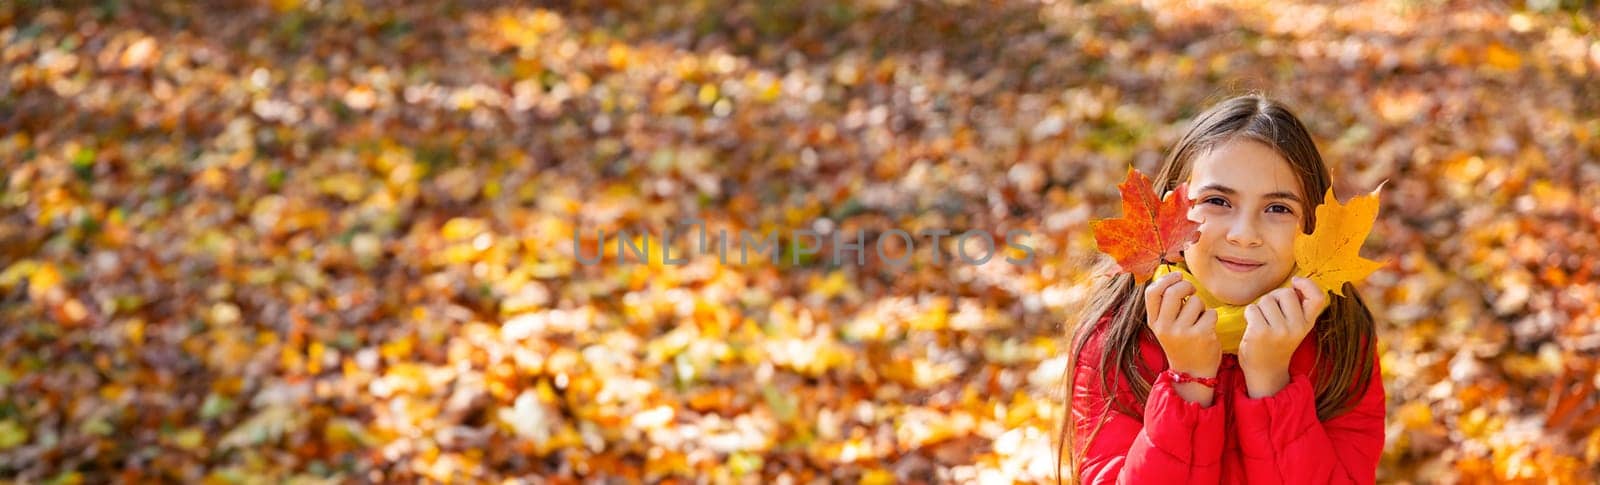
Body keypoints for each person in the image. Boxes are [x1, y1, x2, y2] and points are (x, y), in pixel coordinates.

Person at [1059, 95, 1386, 484]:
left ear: (1311, 226)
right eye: (1217, 201)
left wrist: (1271, 384)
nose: (1244, 235)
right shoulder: (1115, 338)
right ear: (1171, 215)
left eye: (1278, 208)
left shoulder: (1341, 341)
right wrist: (1189, 381)